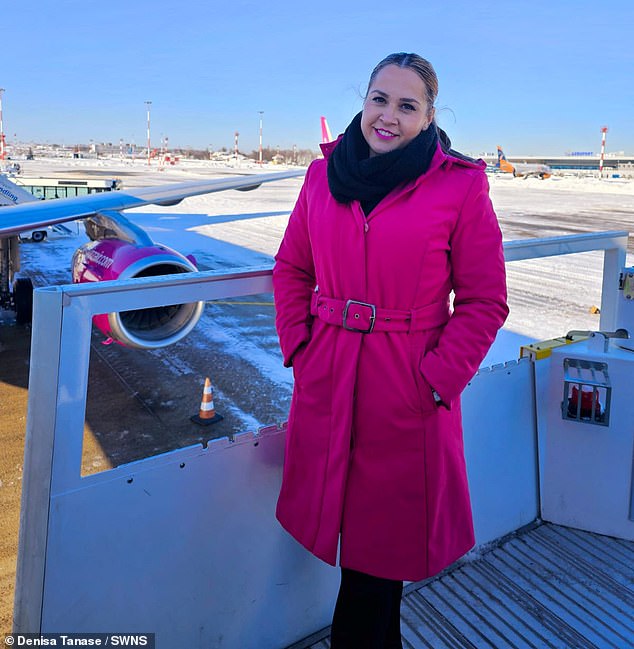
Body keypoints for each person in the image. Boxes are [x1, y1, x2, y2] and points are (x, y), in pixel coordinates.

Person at [273, 52, 509, 648]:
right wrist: (301, 346)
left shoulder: (459, 184)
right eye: (380, 99)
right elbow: (291, 268)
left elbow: (485, 301)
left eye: (408, 106)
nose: (389, 116)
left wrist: (434, 380)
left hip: (405, 385)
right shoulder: (321, 177)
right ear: (364, 101)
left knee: (379, 560)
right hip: (329, 374)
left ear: (430, 117)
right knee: (361, 559)